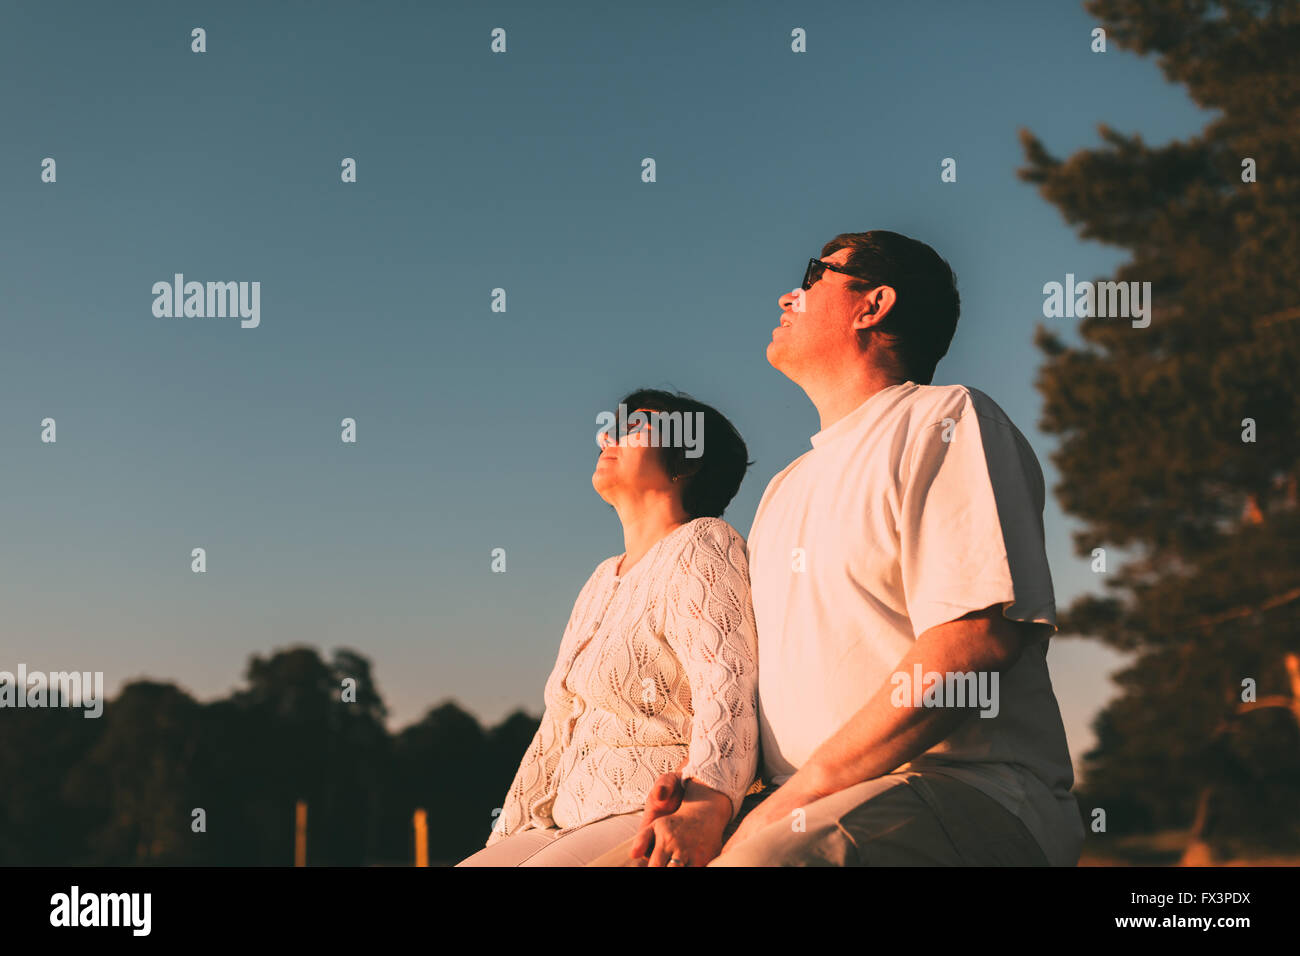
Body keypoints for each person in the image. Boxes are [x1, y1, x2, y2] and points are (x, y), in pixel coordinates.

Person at [598, 231, 1084, 867]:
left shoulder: (946, 419)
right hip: (791, 803)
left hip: (961, 788)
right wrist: (707, 796)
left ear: (874, 304)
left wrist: (789, 802)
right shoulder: (782, 489)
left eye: (811, 276)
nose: (786, 294)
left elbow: (973, 643)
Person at [456, 388, 760, 866]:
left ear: (688, 461)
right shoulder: (601, 579)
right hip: (565, 821)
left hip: (648, 812)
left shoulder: (704, 543)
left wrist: (707, 804)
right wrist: (504, 839)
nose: (605, 436)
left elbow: (728, 689)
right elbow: (555, 731)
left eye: (636, 428)